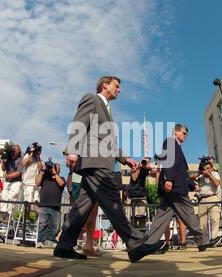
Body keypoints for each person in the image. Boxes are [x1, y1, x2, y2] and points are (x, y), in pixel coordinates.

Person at [54, 76, 164, 262]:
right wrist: (72, 150)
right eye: (116, 86)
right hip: (95, 162)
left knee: (82, 207)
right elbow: (79, 124)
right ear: (105, 85)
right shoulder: (92, 99)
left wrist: (125, 158)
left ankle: (64, 246)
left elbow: (108, 143)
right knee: (113, 202)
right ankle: (135, 244)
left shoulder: (107, 110)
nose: (119, 90)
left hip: (97, 162)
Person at [143, 124, 220, 253]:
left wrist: (192, 184)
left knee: (161, 217)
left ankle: (147, 244)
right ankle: (202, 240)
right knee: (188, 212)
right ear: (177, 132)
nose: (186, 136)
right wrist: (168, 179)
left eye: (186, 134)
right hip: (175, 187)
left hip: (174, 186)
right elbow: (169, 162)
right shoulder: (171, 141)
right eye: (184, 133)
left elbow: (181, 171)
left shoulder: (176, 146)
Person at [36, 162, 66, 248]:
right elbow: (37, 183)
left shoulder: (61, 178)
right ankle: (41, 240)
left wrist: (55, 174)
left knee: (54, 226)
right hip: (44, 205)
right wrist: (42, 172)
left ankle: (52, 240)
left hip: (55, 206)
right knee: (42, 225)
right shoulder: (45, 177)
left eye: (58, 167)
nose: (58, 168)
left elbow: (61, 184)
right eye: (56, 167)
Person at [125, 157, 158, 227]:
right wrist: (138, 168)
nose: (145, 163)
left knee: (142, 216)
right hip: (131, 193)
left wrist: (150, 168)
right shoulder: (136, 166)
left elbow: (154, 174)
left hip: (141, 193)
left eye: (147, 162)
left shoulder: (147, 169)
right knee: (130, 216)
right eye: (144, 161)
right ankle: (133, 232)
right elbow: (134, 178)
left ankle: (141, 232)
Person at [196, 161, 222, 244]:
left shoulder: (214, 174)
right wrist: (199, 173)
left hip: (213, 197)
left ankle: (214, 239)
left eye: (208, 168)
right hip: (202, 199)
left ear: (211, 168)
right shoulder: (201, 175)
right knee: (202, 222)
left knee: (215, 218)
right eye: (205, 168)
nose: (206, 170)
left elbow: (217, 183)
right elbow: (190, 178)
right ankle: (204, 241)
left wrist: (209, 175)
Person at [0, 144, 23, 213]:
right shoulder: (8, 157)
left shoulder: (21, 159)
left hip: (16, 181)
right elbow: (3, 168)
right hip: (7, 181)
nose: (15, 150)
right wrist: (3, 159)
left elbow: (19, 172)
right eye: (14, 149)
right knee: (4, 197)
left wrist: (8, 176)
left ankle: (8, 214)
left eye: (17, 149)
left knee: (11, 197)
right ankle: (3, 213)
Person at [22, 143, 43, 212]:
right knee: (28, 202)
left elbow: (40, 168)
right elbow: (24, 163)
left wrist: (37, 156)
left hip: (36, 184)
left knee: (36, 202)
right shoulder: (27, 155)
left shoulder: (38, 159)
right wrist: (31, 153)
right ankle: (26, 219)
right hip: (28, 183)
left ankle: (37, 220)